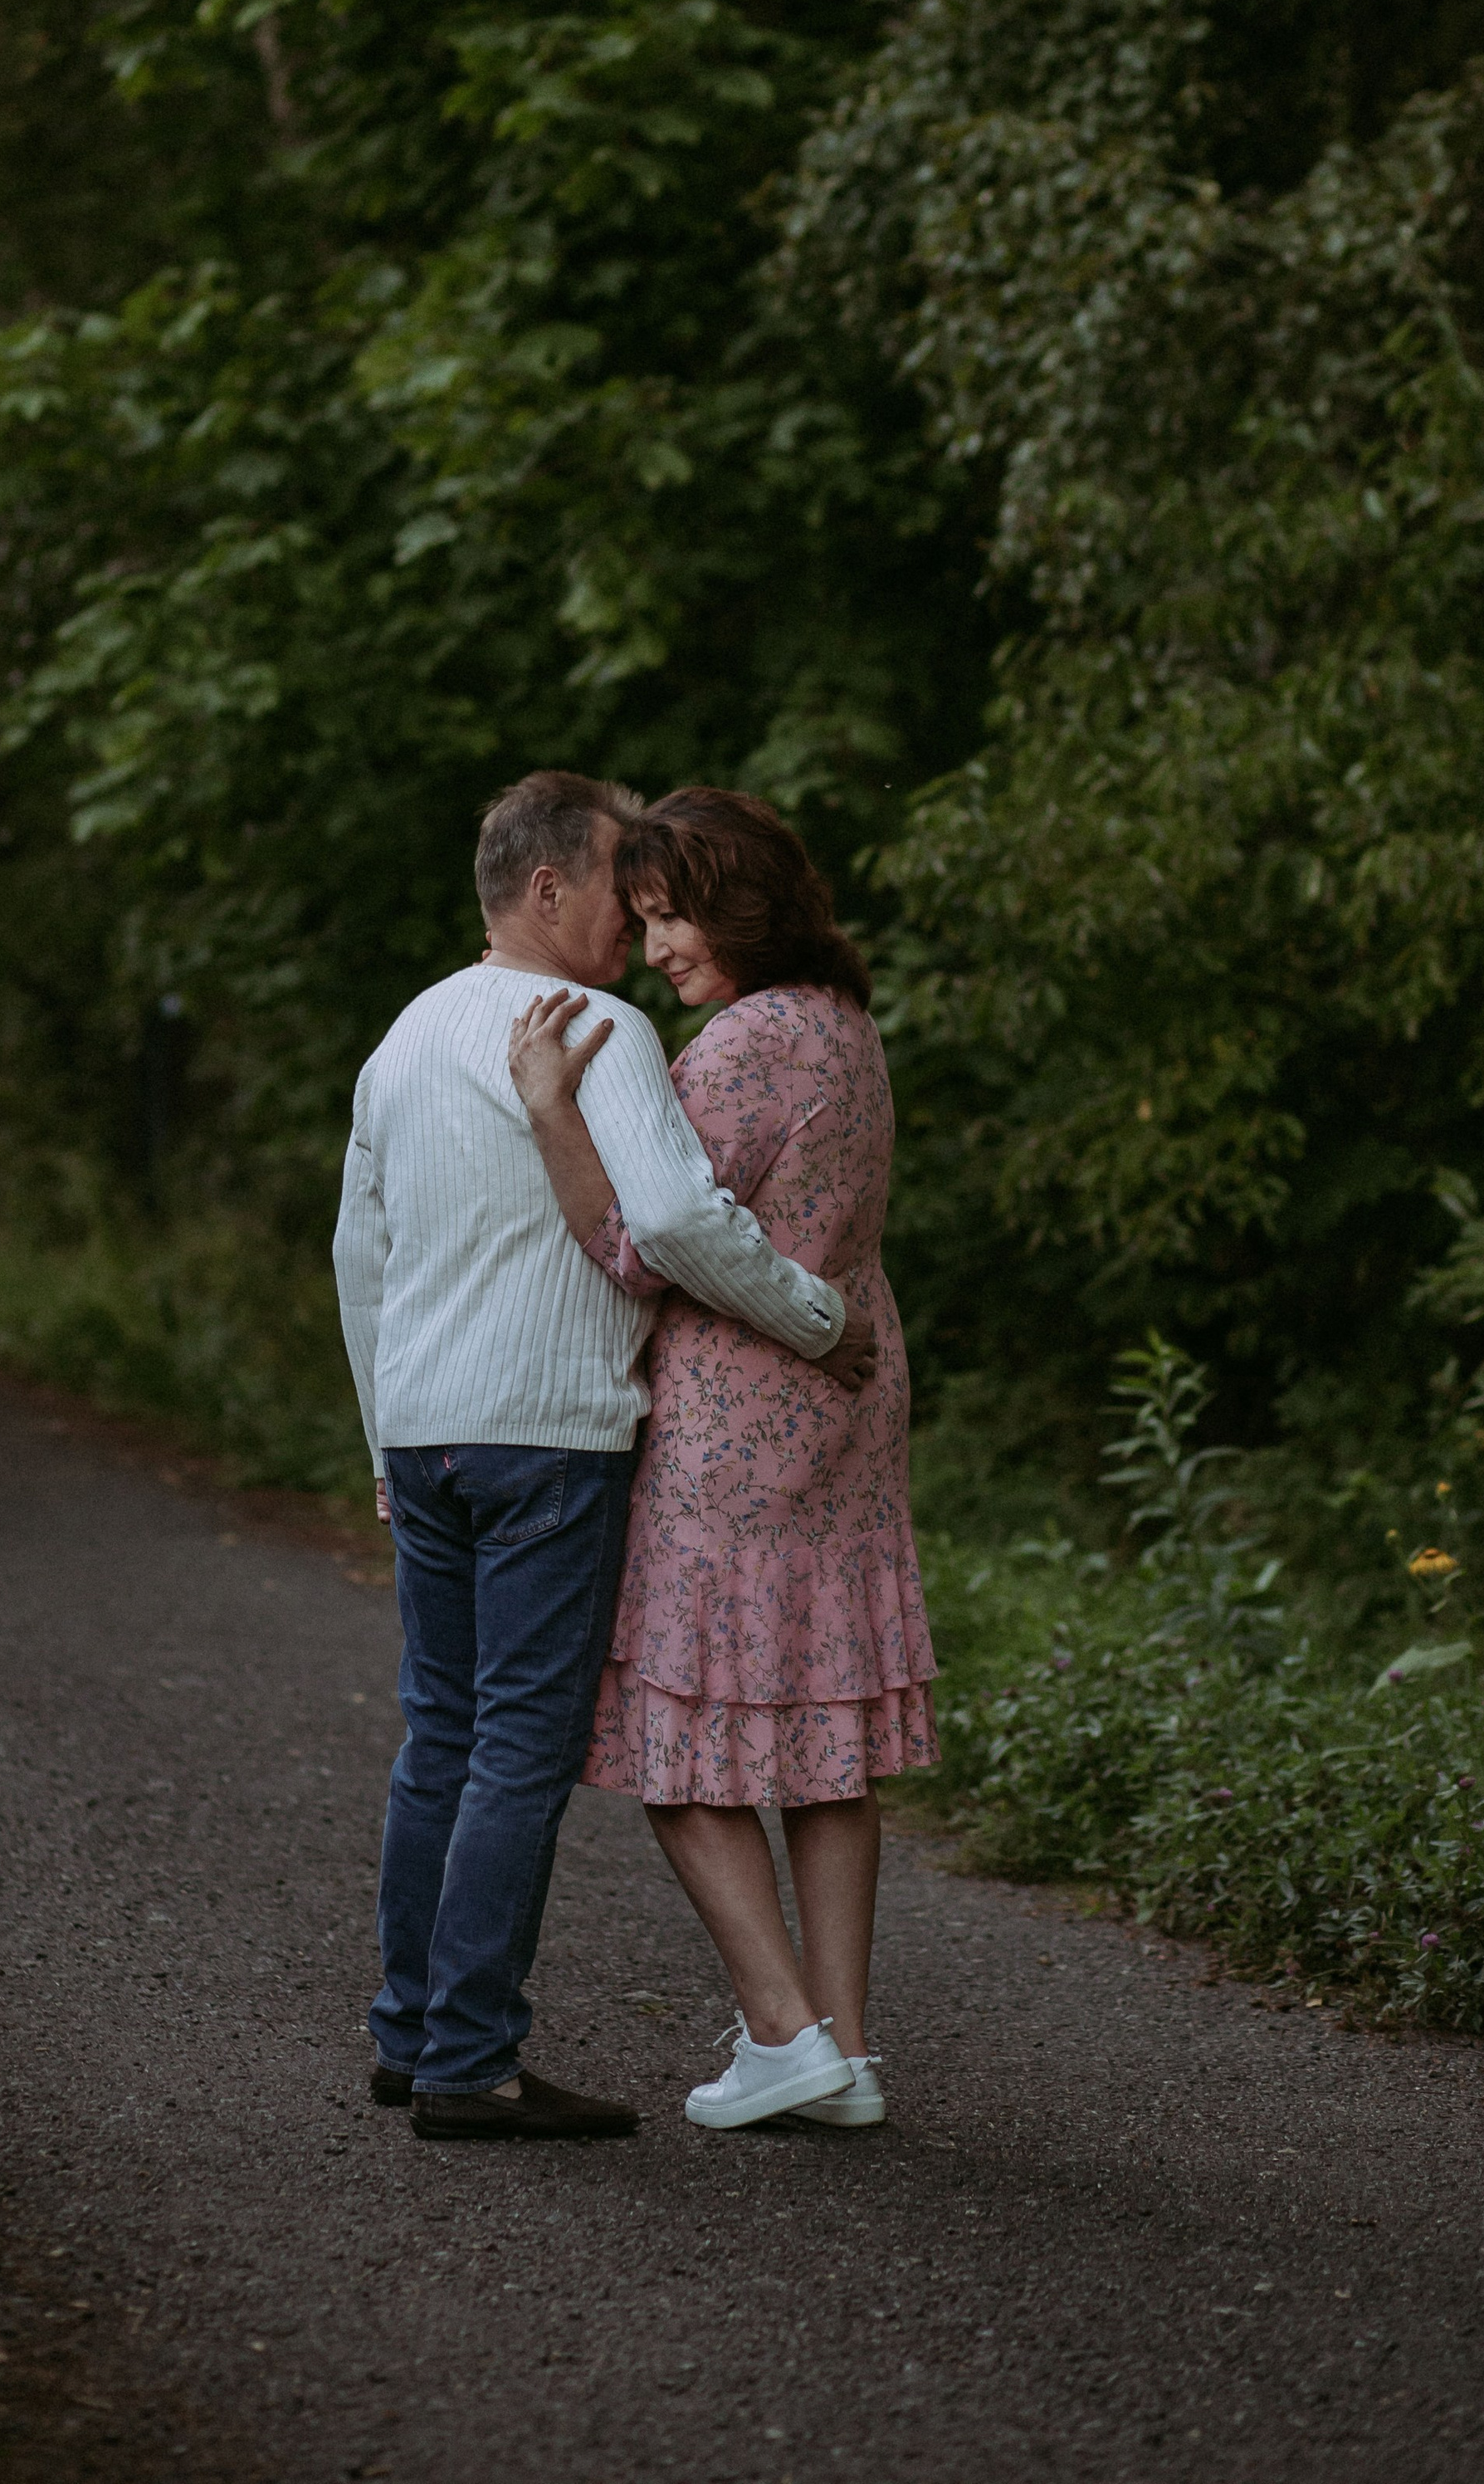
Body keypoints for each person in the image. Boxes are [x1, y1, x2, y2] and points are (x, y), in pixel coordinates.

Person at [332, 769, 876, 2142]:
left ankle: (407, 2037)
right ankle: (470, 2061)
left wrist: (383, 1442)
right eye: (617, 900)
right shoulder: (600, 1030)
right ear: (545, 889)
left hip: (427, 1428)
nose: (634, 937)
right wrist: (820, 1317)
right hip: (553, 1435)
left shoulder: (398, 1040)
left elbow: (360, 1262)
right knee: (519, 1746)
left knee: (437, 1736)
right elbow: (682, 1223)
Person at [507, 786, 938, 2133]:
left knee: (675, 1744)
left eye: (674, 914)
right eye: (645, 917)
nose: (661, 946)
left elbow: (647, 1241)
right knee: (823, 1740)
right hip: (848, 1401)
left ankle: (781, 2030)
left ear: (738, 905)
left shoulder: (743, 1044)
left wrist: (551, 1113)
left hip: (739, 1415)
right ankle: (847, 2055)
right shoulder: (847, 1027)